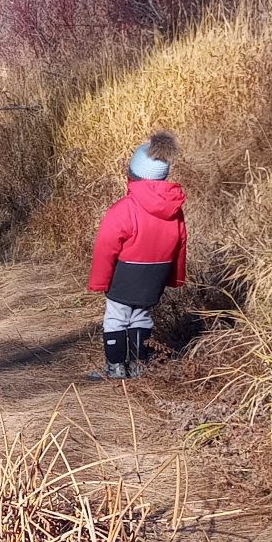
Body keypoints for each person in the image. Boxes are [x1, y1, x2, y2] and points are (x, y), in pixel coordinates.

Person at [87, 132, 186, 379]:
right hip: (155, 275)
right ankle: (139, 366)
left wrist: (99, 281)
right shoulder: (174, 211)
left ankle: (116, 367)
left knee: (116, 318)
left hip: (126, 275)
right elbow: (180, 243)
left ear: (132, 174)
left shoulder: (124, 209)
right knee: (142, 316)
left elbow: (105, 246)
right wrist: (175, 278)